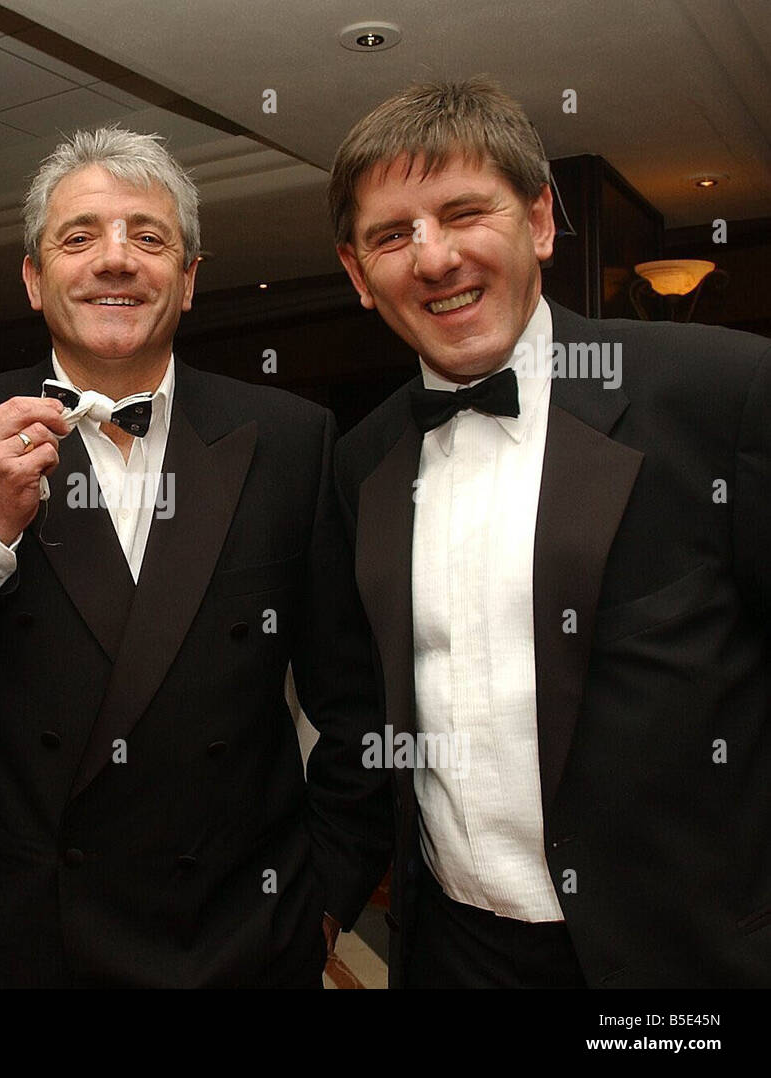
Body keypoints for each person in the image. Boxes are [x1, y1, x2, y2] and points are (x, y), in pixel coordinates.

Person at [0, 127, 391, 987]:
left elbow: (356, 704)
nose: (116, 260)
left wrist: (321, 902)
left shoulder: (289, 440)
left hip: (236, 940)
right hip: (20, 943)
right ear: (33, 277)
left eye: (149, 236)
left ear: (190, 277)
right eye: (79, 236)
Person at [329, 76, 770, 987]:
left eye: (463, 213)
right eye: (391, 235)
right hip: (454, 951)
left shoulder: (720, 393)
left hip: (678, 957)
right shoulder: (360, 463)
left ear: (539, 221)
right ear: (357, 274)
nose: (434, 258)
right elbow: (366, 721)